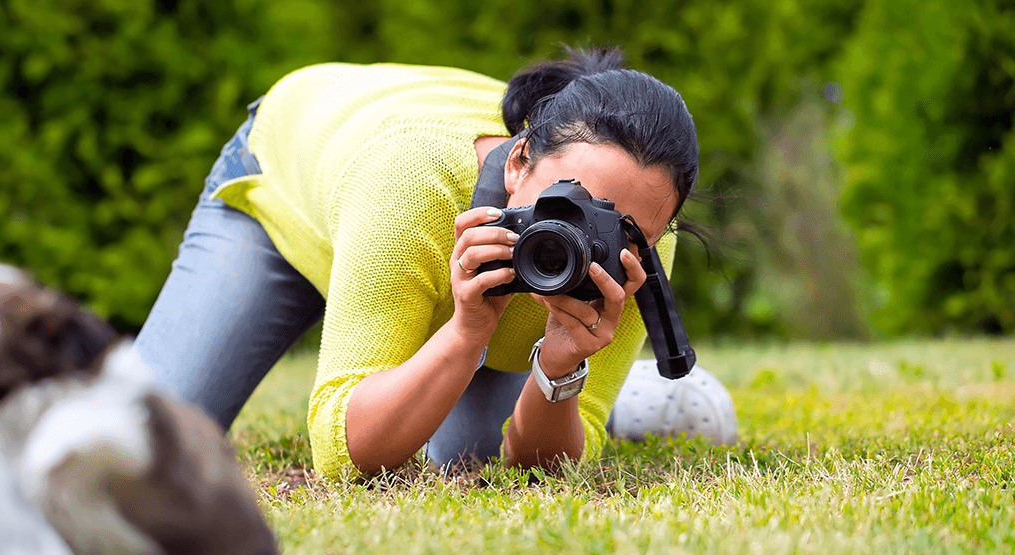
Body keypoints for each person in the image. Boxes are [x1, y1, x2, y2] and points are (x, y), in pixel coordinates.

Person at [136, 46, 730, 480]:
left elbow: (543, 472)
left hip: (401, 224)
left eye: (624, 229)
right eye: (566, 203)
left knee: (470, 456)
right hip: (295, 188)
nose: (589, 237)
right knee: (138, 438)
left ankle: (607, 385)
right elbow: (342, 455)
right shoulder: (409, 182)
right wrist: (468, 330)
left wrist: (560, 365)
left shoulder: (639, 248)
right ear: (518, 160)